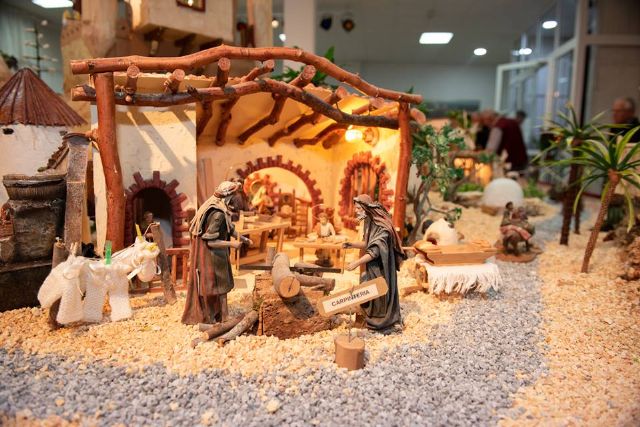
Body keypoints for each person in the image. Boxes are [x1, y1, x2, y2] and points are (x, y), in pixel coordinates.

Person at [182, 181, 252, 325]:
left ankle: (222, 314)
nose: (237, 199)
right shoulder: (218, 214)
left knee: (223, 286)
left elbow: (230, 229)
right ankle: (223, 316)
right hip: (212, 256)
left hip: (219, 254)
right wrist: (232, 244)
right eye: (235, 196)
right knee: (221, 287)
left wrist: (243, 239)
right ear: (229, 197)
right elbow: (211, 242)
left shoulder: (222, 209)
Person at [344, 194, 406, 331]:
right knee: (369, 288)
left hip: (382, 267)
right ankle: (370, 315)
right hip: (372, 266)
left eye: (359, 208)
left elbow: (375, 251)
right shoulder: (369, 222)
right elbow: (367, 243)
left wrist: (356, 263)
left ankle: (382, 320)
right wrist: (352, 244)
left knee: (380, 291)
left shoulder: (382, 226)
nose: (356, 211)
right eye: (356, 208)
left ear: (366, 208)